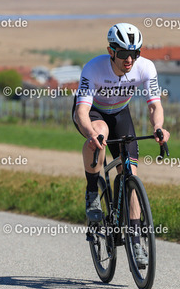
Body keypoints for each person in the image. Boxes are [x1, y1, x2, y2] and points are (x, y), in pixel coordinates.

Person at [72, 23, 170, 267]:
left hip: (120, 113)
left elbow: (154, 105)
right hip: (92, 112)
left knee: (130, 174)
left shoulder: (146, 67)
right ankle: (92, 191)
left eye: (135, 53)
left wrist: (158, 127)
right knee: (100, 133)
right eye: (124, 53)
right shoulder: (93, 68)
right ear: (111, 51)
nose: (129, 59)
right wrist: (90, 134)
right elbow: (81, 112)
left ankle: (135, 240)